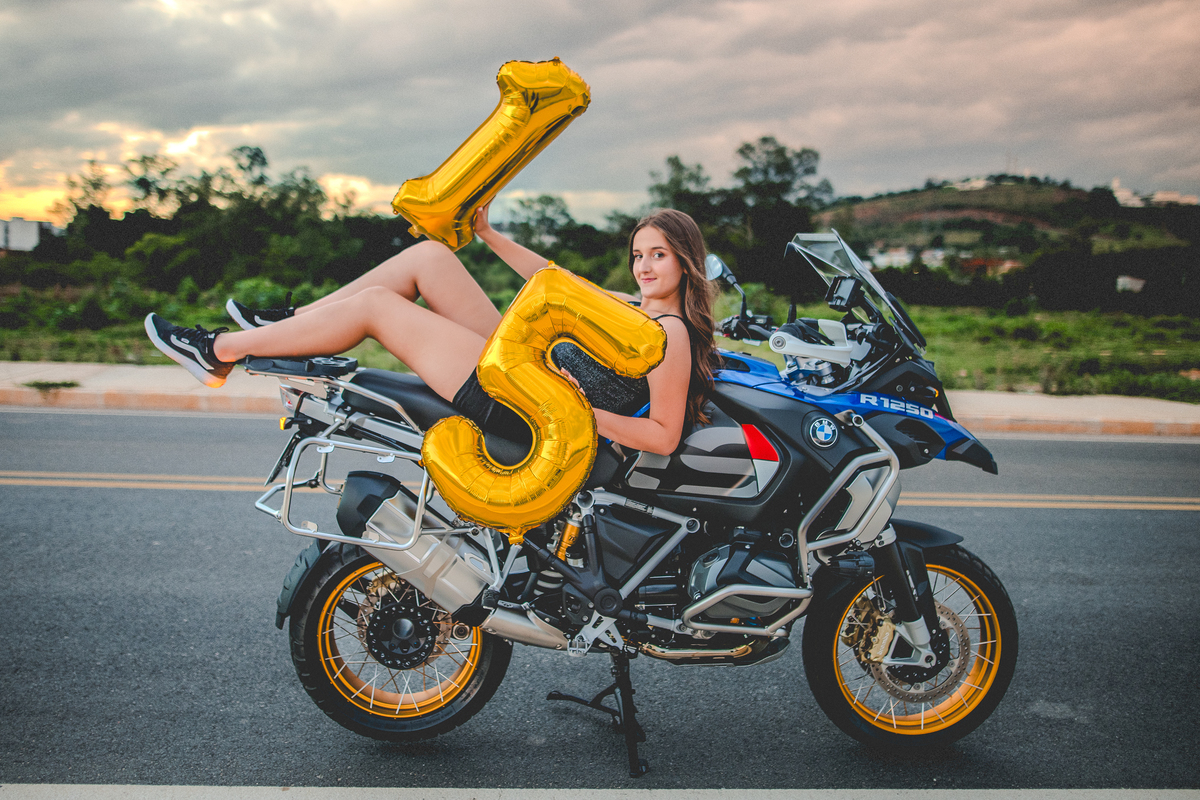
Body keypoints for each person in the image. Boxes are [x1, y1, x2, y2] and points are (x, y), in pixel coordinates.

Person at [145, 206, 716, 456]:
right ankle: (293, 326)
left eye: (658, 255)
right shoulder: (632, 306)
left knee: (377, 307)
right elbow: (552, 278)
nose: (644, 266)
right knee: (430, 257)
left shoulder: (670, 334)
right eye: (638, 254)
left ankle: (219, 351)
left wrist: (575, 408)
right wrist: (487, 234)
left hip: (526, 400)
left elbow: (663, 436)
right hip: (526, 367)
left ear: (685, 261)